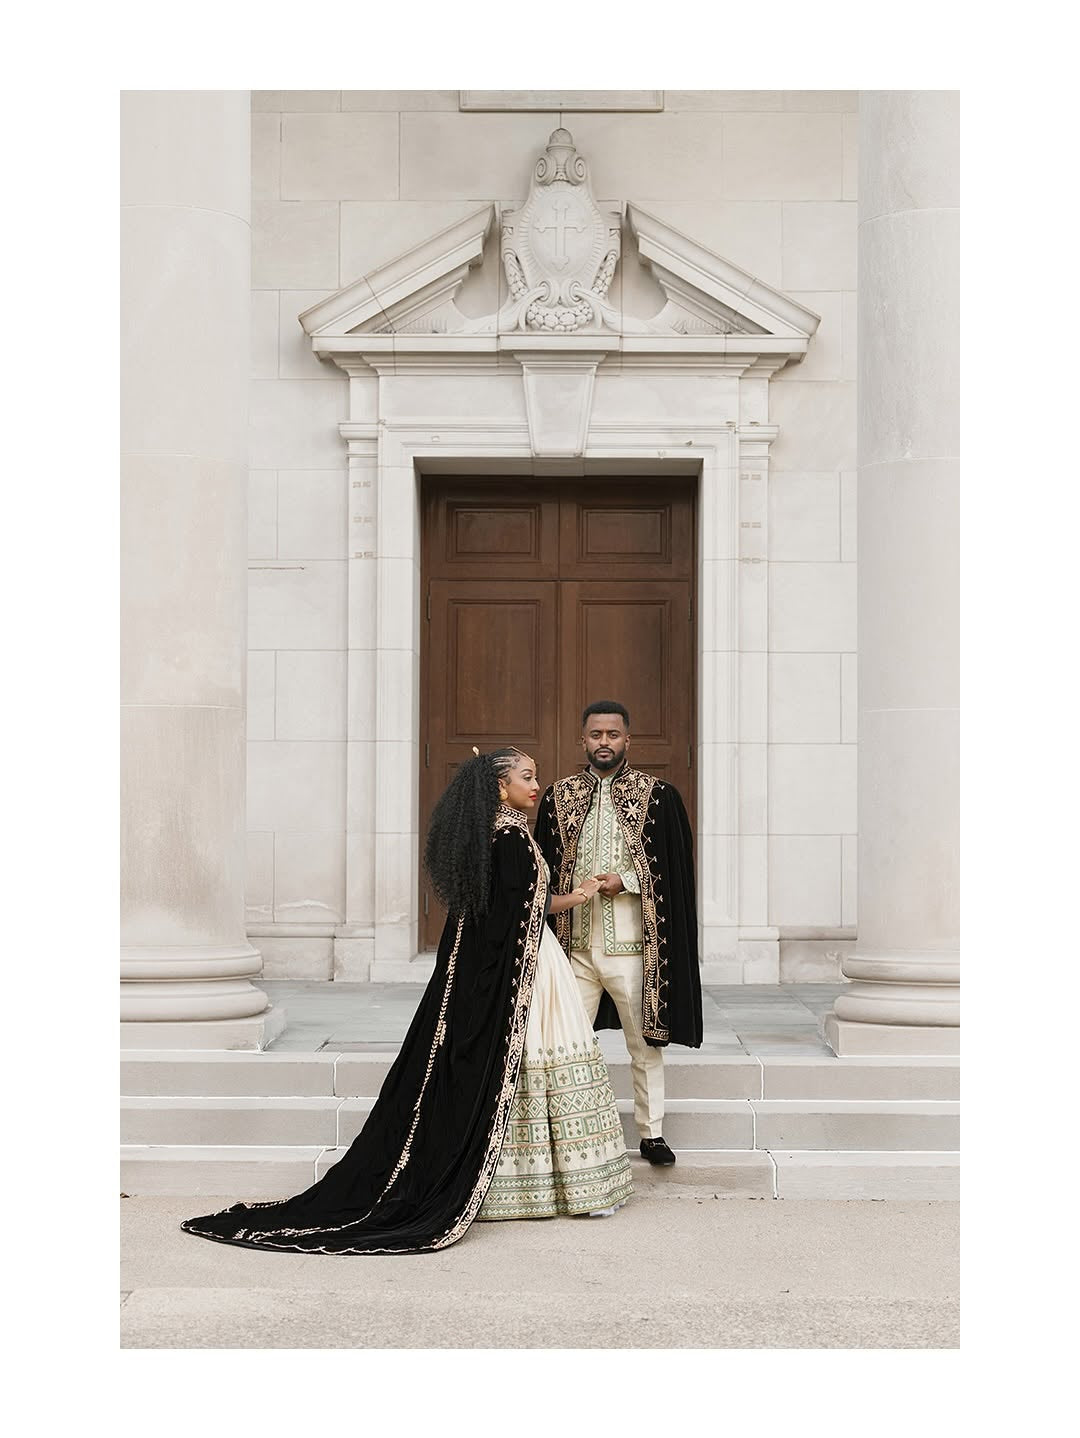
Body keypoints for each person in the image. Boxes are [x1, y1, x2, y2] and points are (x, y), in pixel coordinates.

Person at [180, 747, 631, 1255]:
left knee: (528, 1064)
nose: (536, 785)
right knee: (539, 1057)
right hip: (529, 970)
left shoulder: (493, 837)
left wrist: (578, 896)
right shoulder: (511, 840)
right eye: (526, 777)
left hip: (530, 960)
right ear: (500, 788)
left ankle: (518, 1188)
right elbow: (513, 916)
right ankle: (567, 1186)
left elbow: (519, 908)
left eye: (536, 776)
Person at [533, 702, 703, 1168]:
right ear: (582, 741)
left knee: (643, 1045)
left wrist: (624, 881)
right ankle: (563, 1137)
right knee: (563, 1042)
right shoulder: (558, 797)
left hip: (634, 950)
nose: (603, 742)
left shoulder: (658, 797)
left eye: (612, 734)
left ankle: (651, 1134)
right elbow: (542, 870)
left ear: (628, 740)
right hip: (575, 948)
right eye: (595, 734)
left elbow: (673, 871)